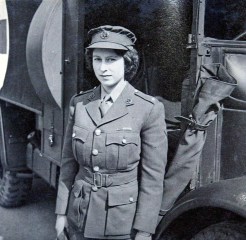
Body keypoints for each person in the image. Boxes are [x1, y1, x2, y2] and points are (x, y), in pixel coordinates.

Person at [55, 25, 168, 240]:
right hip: (79, 215)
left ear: (127, 62)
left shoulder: (148, 108)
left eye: (111, 60)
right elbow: (68, 163)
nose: (103, 68)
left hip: (121, 222)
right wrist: (61, 213)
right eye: (97, 59)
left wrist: (144, 230)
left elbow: (153, 177)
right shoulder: (79, 104)